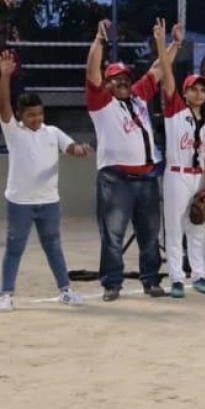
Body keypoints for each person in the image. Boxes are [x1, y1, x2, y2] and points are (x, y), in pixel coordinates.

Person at [0, 50, 92, 311]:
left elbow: (71, 147)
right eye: (31, 115)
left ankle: (66, 290)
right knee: (15, 248)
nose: (37, 118)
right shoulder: (13, 131)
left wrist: (80, 150)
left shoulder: (52, 131)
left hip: (49, 202)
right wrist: (4, 75)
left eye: (40, 113)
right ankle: (6, 294)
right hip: (20, 202)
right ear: (20, 115)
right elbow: (3, 106)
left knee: (53, 246)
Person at [85, 19, 167, 301]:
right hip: (116, 178)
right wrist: (99, 40)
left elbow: (158, 68)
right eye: (115, 78)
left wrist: (169, 43)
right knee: (113, 234)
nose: (122, 81)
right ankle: (112, 283)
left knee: (149, 235)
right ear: (106, 83)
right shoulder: (101, 102)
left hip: (146, 176)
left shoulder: (139, 97)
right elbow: (92, 70)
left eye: (125, 78)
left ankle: (150, 279)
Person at [153, 19, 205, 298]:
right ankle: (177, 279)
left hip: (196, 176)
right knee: (175, 226)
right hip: (176, 173)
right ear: (185, 91)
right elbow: (166, 73)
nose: (199, 93)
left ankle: (200, 275)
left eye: (203, 90)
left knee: (198, 227)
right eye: (193, 88)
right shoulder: (175, 109)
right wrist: (167, 43)